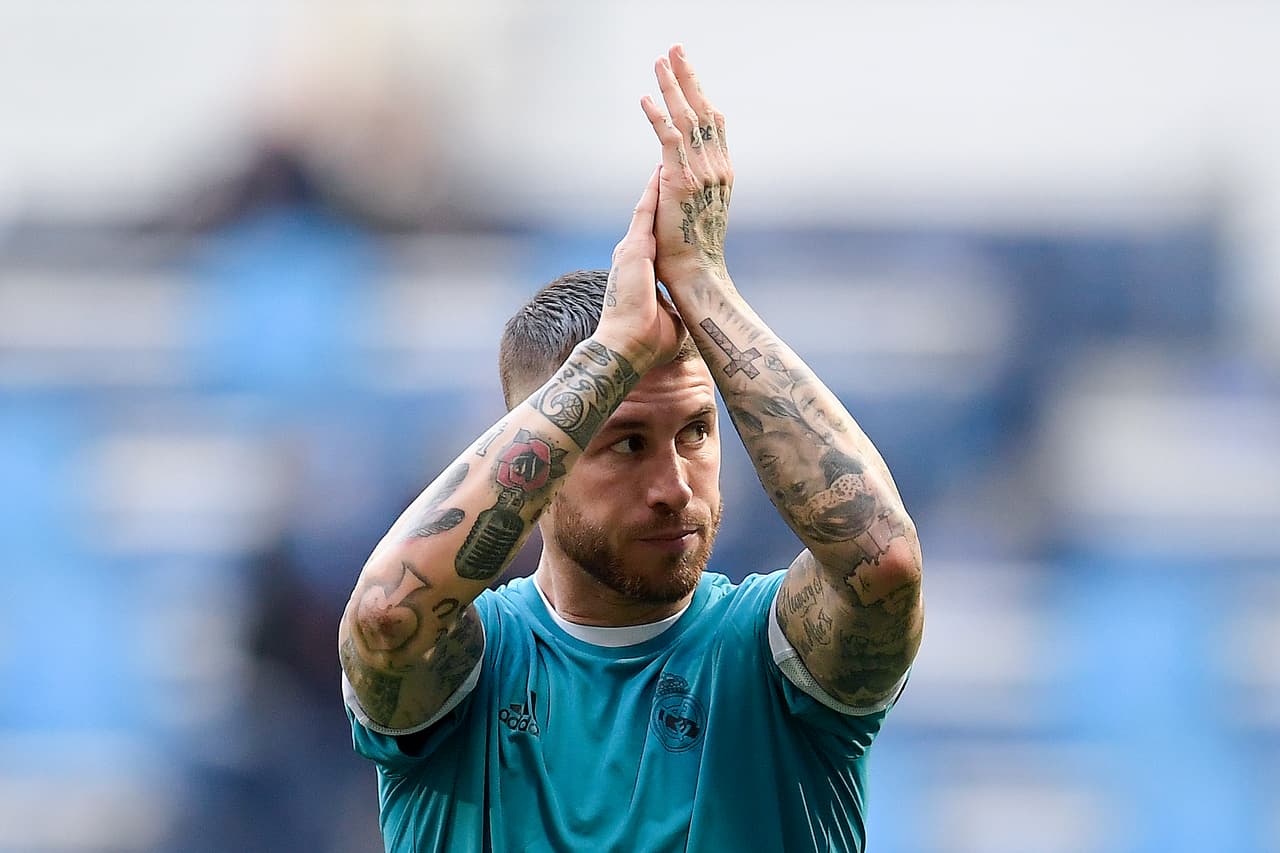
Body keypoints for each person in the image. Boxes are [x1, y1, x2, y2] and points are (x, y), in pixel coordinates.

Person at [339, 44, 924, 853]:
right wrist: (607, 358)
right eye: (625, 444)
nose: (675, 485)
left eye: (694, 432)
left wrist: (706, 286)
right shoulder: (473, 668)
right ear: (541, 463)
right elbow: (385, 612)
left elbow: (883, 562)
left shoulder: (768, 657)